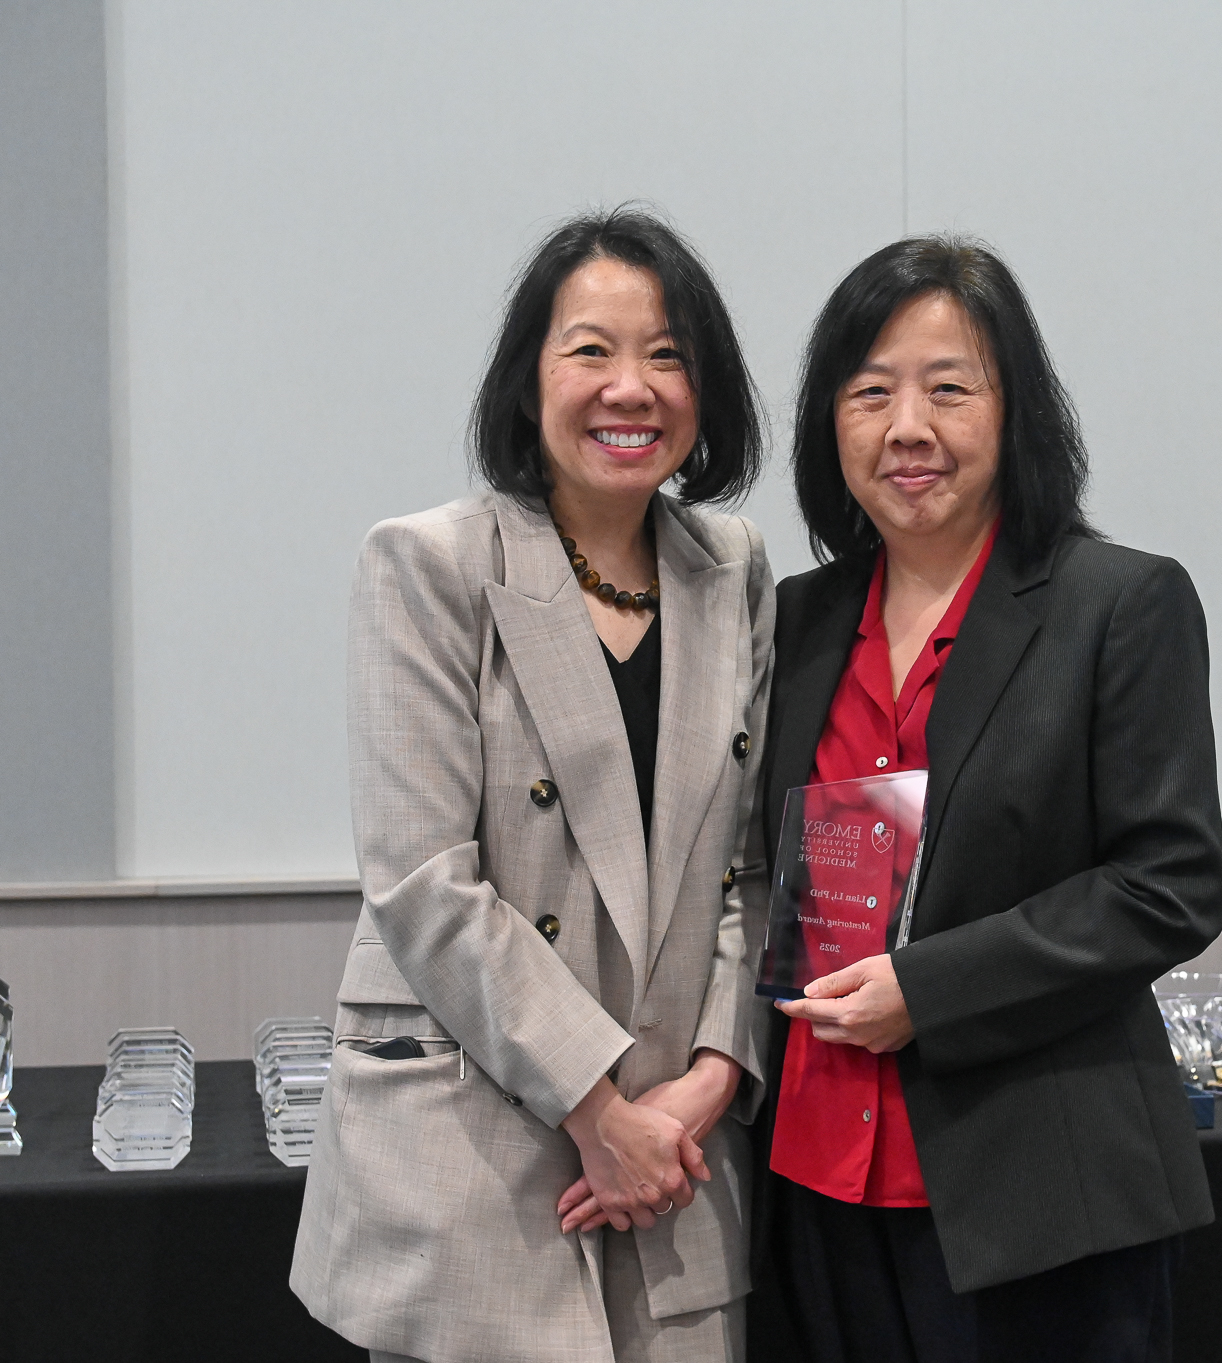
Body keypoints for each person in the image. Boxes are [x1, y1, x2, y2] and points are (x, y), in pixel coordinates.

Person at [291, 207, 774, 1363]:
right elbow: (422, 884)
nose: (631, 388)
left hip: (674, 1162)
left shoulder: (733, 569)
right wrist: (595, 1113)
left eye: (667, 355)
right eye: (590, 351)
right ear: (528, 379)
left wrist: (701, 1088)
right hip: (481, 1146)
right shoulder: (429, 563)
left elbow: (753, 866)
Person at [750, 236, 1222, 1363]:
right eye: (868, 392)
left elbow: (1168, 885)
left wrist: (929, 989)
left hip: (1033, 1193)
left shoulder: (1116, 602)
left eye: (947, 388)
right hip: (816, 1175)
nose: (905, 427)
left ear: (1016, 414)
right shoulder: (795, 620)